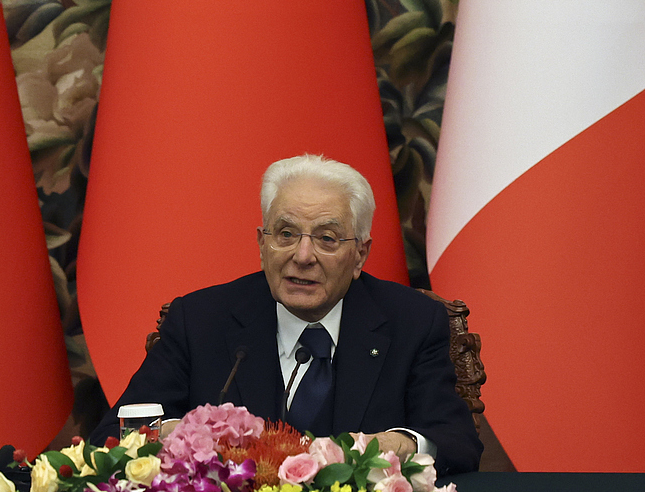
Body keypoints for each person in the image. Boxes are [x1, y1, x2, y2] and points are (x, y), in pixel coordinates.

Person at [106, 154, 481, 474]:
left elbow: (456, 443)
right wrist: (186, 435)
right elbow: (114, 434)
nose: (302, 256)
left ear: (360, 255)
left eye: (327, 238)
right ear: (262, 244)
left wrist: (399, 444)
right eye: (286, 234)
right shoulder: (201, 319)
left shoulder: (411, 322)